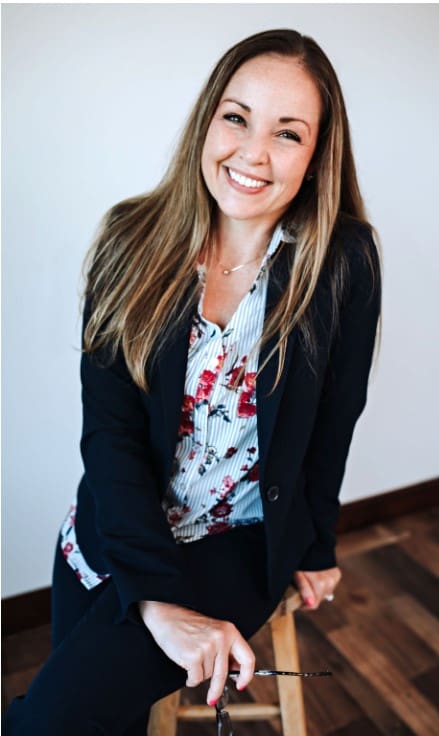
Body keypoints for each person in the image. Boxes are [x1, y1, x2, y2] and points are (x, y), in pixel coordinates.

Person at [4, 28, 381, 735]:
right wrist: (154, 602)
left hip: (233, 544)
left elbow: (337, 418)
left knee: (51, 723)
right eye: (236, 117)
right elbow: (108, 431)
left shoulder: (342, 263)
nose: (253, 152)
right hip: (109, 531)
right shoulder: (130, 239)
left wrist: (318, 544)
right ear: (208, 119)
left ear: (316, 155)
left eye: (288, 133)